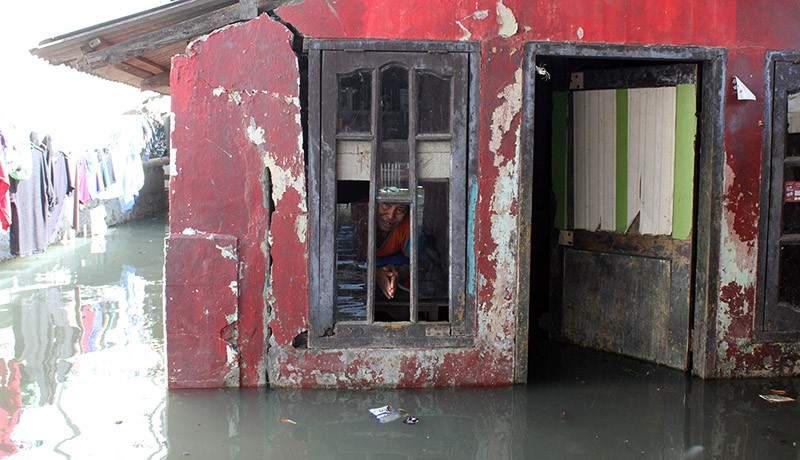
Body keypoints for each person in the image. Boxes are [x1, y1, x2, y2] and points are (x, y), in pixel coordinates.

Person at [374, 202, 411, 300]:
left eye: (400, 210)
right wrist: (374, 273)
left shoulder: (408, 227)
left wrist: (400, 271)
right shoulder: (360, 219)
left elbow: (423, 265)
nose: (390, 216)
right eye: (387, 205)